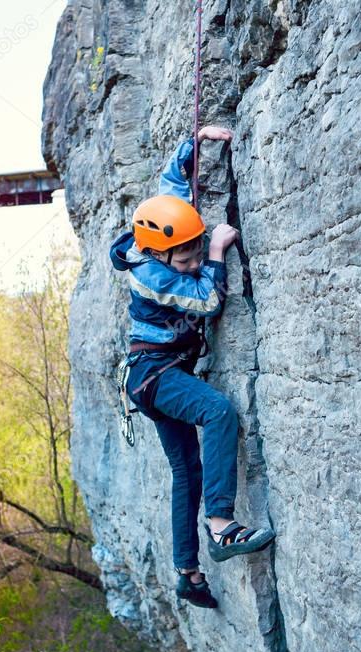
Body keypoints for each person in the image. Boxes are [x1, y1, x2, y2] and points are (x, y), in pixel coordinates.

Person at [109, 125, 275, 609]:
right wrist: (220, 252)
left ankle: (188, 573)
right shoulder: (152, 276)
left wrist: (193, 145)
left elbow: (171, 189)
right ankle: (222, 526)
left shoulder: (162, 236)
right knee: (218, 412)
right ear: (160, 254)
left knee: (187, 472)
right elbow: (206, 301)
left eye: (199, 249)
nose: (195, 259)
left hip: (155, 376)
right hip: (156, 377)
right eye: (187, 257)